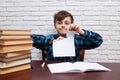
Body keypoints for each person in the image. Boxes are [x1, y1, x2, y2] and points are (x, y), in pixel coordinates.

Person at [31, 10, 103, 62]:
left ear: (71, 25)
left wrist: (81, 31)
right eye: (59, 23)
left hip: (73, 74)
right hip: (53, 74)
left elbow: (98, 41)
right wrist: (52, 42)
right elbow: (29, 39)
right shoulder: (50, 38)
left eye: (66, 23)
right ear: (55, 26)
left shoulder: (77, 40)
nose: (63, 25)